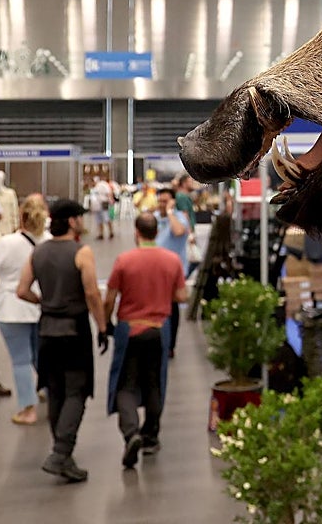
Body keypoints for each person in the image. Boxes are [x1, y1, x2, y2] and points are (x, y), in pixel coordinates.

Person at [17, 199, 108, 483]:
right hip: (74, 330)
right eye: (79, 217)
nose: (82, 221)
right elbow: (92, 293)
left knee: (55, 390)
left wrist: (44, 302)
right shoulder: (82, 252)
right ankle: (60, 452)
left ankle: (63, 457)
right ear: (71, 221)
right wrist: (103, 326)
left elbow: (21, 290)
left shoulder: (38, 253)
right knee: (76, 391)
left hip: (46, 330)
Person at [103, 212, 187, 468]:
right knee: (154, 383)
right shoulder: (172, 260)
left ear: (136, 232)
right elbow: (182, 297)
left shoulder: (124, 261)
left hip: (130, 330)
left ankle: (131, 434)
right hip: (158, 329)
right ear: (155, 231)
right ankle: (151, 436)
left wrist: (105, 323)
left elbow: (109, 298)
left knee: (126, 384)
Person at [0, 194, 49, 425]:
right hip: (40, 304)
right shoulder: (49, 240)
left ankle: (28, 409)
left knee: (21, 360)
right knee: (40, 356)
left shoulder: (8, 242)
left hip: (11, 307)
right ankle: (50, 392)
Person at [155, 186, 190, 358]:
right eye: (160, 201)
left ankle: (170, 345)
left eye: (165, 201)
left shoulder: (179, 218)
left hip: (174, 274)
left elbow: (178, 231)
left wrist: (169, 212)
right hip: (154, 272)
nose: (162, 204)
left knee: (171, 307)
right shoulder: (153, 219)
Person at [88, 176, 113, 240]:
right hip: (96, 206)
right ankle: (101, 233)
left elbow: (109, 192)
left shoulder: (102, 184)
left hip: (103, 203)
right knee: (98, 220)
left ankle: (111, 232)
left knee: (106, 218)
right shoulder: (93, 188)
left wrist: (110, 199)